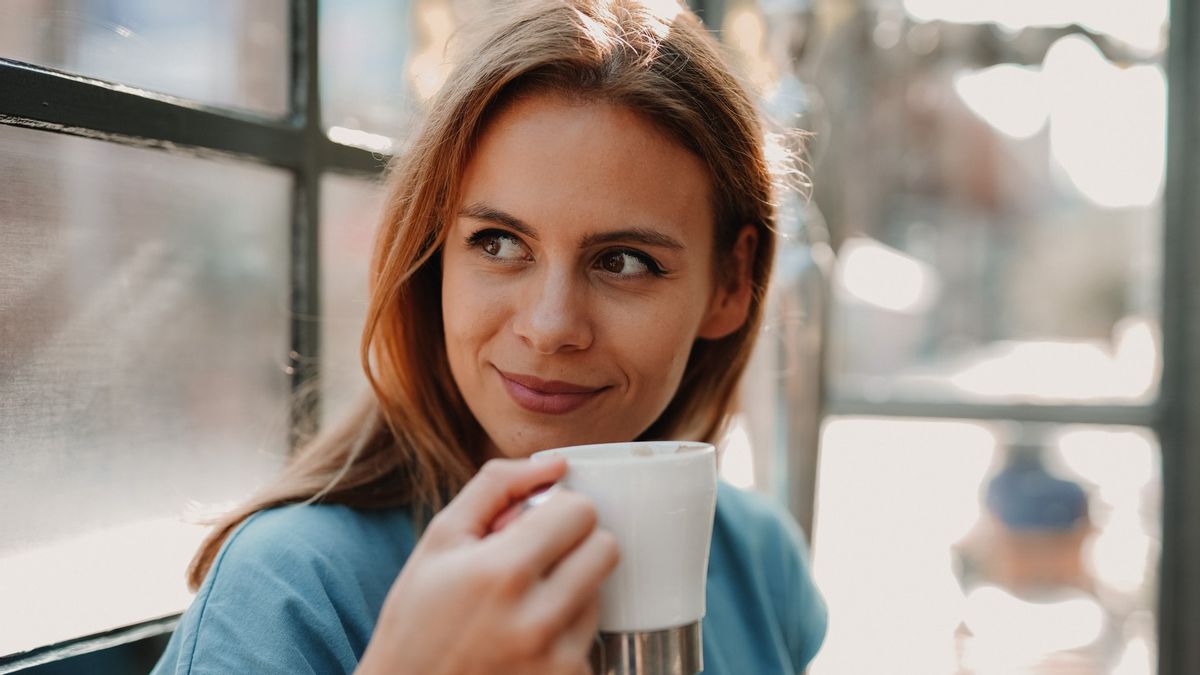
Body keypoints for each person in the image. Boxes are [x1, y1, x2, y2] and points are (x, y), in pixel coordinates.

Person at [151, 1, 827, 672]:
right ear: (433, 252)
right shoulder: (288, 593)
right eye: (498, 242)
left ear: (731, 283)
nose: (549, 326)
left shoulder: (759, 566)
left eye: (623, 260)